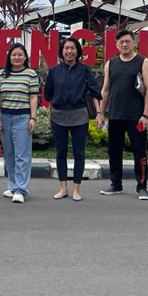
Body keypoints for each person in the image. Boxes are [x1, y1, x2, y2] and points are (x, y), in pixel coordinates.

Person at [98, 29, 148, 200]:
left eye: (127, 41)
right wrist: (101, 113)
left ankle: (142, 186)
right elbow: (105, 90)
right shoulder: (111, 63)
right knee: (114, 151)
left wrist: (145, 114)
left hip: (136, 116)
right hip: (115, 115)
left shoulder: (142, 62)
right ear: (116, 45)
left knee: (139, 152)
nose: (124, 44)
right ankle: (116, 184)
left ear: (134, 42)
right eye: (121, 42)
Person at [44, 37, 102, 201]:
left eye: (72, 48)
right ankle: (63, 188)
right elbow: (49, 96)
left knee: (79, 153)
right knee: (60, 153)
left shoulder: (85, 69)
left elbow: (95, 92)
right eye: (66, 48)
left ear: (78, 51)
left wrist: (99, 113)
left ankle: (76, 189)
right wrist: (49, 115)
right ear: (61, 51)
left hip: (79, 116)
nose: (69, 51)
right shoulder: (54, 71)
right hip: (58, 116)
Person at [0, 43, 39, 203]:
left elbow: (33, 97)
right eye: (14, 54)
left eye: (20, 54)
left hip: (22, 118)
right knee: (9, 155)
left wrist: (33, 118)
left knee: (22, 156)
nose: (17, 57)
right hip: (5, 117)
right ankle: (13, 186)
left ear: (25, 57)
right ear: (9, 57)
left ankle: (21, 189)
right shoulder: (1, 74)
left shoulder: (30, 74)